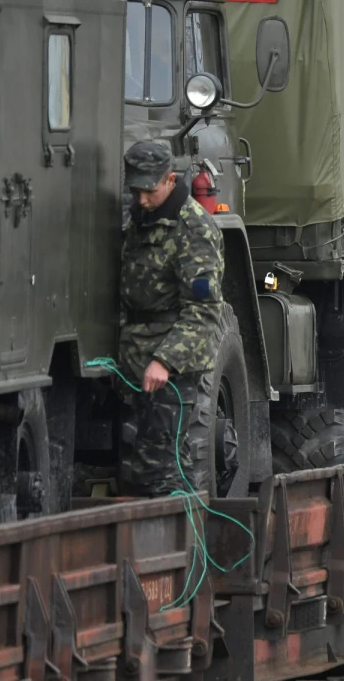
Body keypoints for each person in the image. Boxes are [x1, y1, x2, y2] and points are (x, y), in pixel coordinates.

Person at [118, 141, 225, 496]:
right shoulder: (138, 218)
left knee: (160, 469)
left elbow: (204, 310)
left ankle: (187, 545)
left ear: (170, 180)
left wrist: (165, 361)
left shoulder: (194, 229)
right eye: (136, 191)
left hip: (171, 368)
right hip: (133, 358)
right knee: (141, 465)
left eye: (149, 191)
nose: (142, 200)